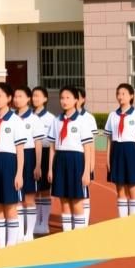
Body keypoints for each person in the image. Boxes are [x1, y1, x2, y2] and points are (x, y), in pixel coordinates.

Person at [0, 83, 28, 247]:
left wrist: (19, 173)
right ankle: (0, 246)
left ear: (9, 98)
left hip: (10, 163)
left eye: (0, 95)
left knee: (10, 206)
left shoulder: (16, 121)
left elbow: (20, 150)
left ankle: (11, 245)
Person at [45, 86, 94, 233]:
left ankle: (79, 235)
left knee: (77, 200)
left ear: (76, 100)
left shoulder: (82, 121)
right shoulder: (56, 121)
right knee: (64, 200)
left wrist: (86, 171)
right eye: (62, 98)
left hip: (76, 161)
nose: (64, 101)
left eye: (68, 98)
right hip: (60, 160)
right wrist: (50, 169)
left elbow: (87, 148)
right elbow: (52, 147)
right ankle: (67, 233)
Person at [106, 82, 135, 217]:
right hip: (117, 151)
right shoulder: (112, 116)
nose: (120, 96)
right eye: (118, 94)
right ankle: (122, 220)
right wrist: (108, 159)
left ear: (131, 96)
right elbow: (109, 139)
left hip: (132, 152)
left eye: (123, 94)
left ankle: (134, 221)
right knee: (120, 188)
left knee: (133, 187)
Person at [11, 85, 40, 241]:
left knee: (28, 198)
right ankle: (19, 232)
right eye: (15, 96)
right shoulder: (11, 118)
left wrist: (37, 165)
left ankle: (29, 233)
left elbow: (38, 143)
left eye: (20, 96)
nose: (17, 99)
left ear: (28, 98)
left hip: (29, 157)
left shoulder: (34, 119)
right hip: (13, 157)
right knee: (17, 198)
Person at [31, 86, 56, 234]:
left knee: (44, 190)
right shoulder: (27, 116)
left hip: (45, 153)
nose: (35, 98)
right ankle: (35, 222)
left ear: (45, 99)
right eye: (33, 96)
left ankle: (44, 222)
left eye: (38, 96)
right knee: (33, 190)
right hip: (30, 153)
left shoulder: (51, 118)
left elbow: (52, 142)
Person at [75, 87, 97, 222]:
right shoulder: (64, 117)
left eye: (77, 97)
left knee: (84, 189)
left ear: (83, 99)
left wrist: (91, 163)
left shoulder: (89, 118)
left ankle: (85, 220)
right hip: (71, 158)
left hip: (84, 158)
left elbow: (91, 143)